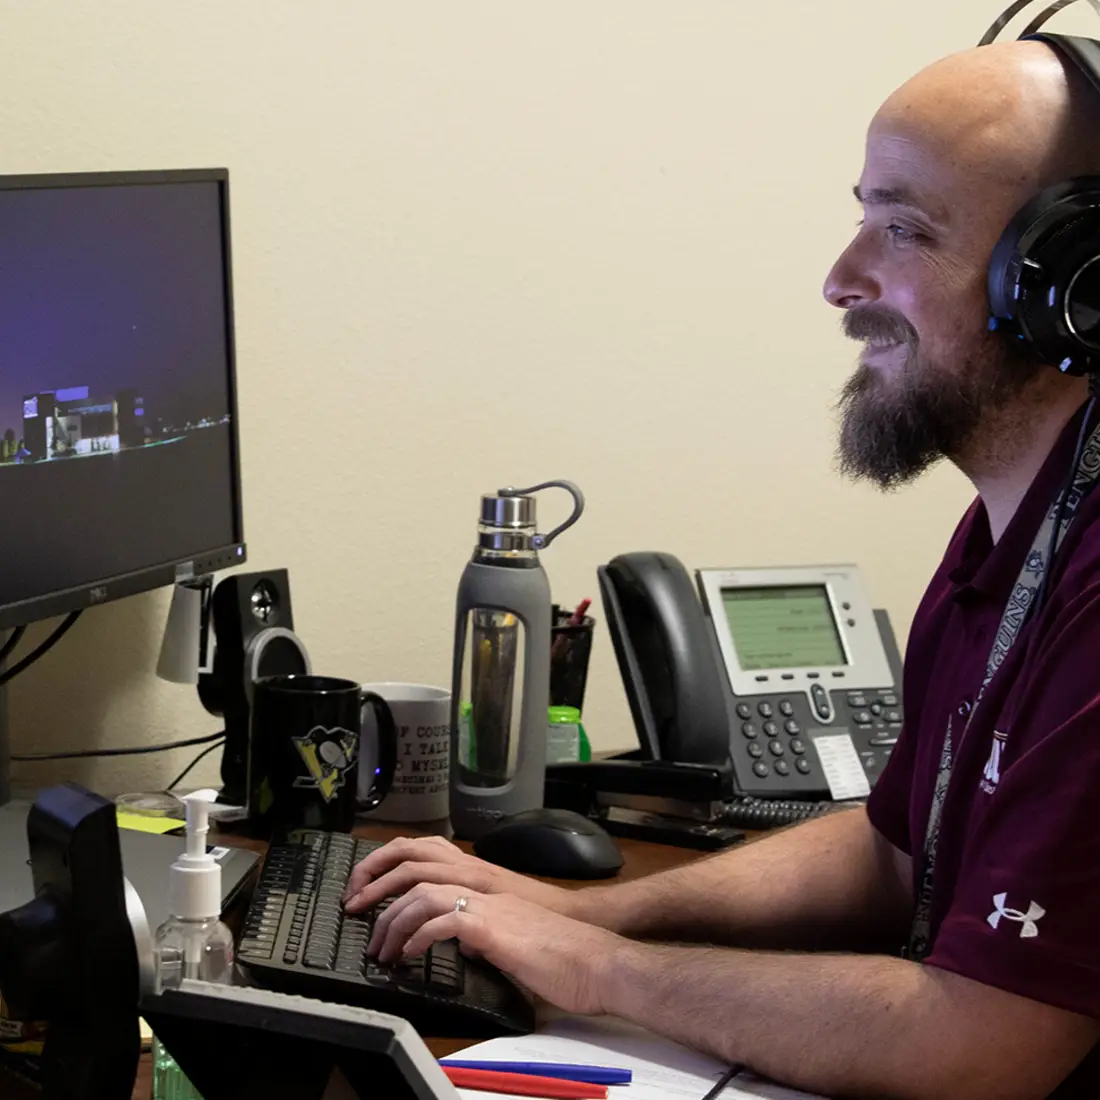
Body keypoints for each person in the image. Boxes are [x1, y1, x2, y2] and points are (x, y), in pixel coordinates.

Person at [343, 38, 1100, 1099]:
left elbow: (982, 1043)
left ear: (1070, 282)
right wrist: (575, 907)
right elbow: (892, 853)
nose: (840, 279)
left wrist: (597, 964)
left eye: (904, 229)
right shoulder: (1017, 522)